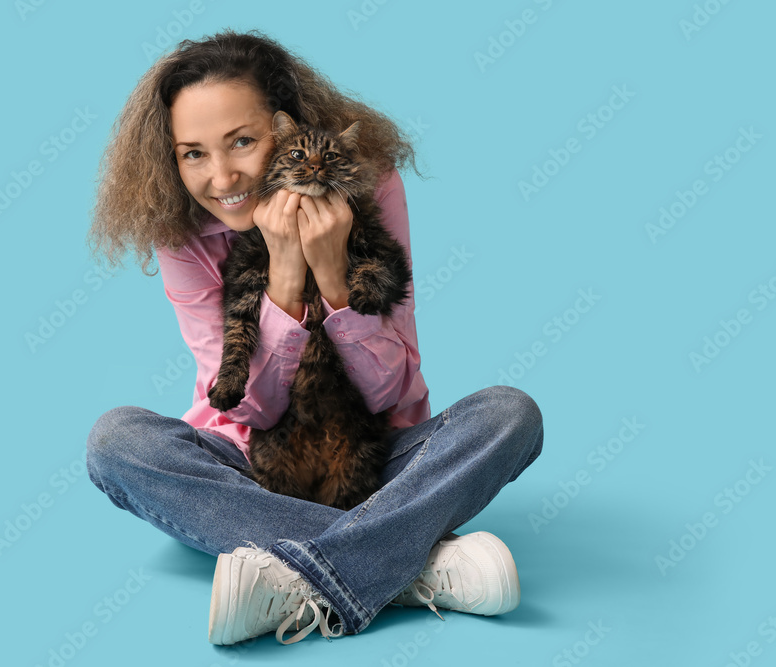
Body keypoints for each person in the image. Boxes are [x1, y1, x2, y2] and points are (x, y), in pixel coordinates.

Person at [85, 29, 544, 646]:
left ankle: (296, 566)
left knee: (510, 415)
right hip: (250, 461)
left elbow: (390, 391)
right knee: (117, 442)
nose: (221, 176)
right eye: (192, 153)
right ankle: (412, 566)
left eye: (242, 141)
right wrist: (283, 271)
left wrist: (331, 273)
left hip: (374, 452)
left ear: (288, 130)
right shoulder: (180, 231)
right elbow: (250, 408)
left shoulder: (367, 187)